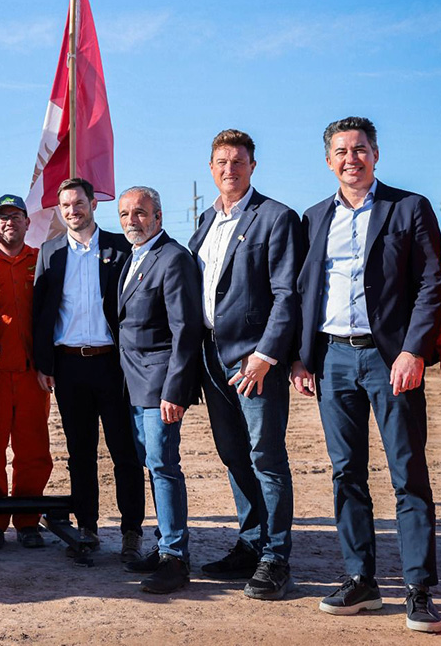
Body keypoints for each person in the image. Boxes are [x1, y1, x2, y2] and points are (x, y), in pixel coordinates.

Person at [292, 116, 441, 633]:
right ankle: (361, 580)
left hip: (390, 359)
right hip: (332, 359)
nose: (350, 159)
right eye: (341, 151)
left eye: (359, 149)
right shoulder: (314, 217)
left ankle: (419, 588)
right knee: (346, 473)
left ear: (376, 155)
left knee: (408, 472)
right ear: (328, 161)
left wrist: (413, 350)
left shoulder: (410, 207)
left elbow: (431, 284)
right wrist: (300, 357)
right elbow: (303, 291)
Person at [189, 130, 301, 600]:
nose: (229, 169)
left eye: (238, 161)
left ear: (253, 166)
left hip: (254, 361)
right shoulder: (205, 221)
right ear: (211, 168)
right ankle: (251, 543)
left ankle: (275, 557)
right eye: (221, 162)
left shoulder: (276, 217)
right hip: (211, 359)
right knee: (234, 455)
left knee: (266, 457)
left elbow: (287, 294)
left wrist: (266, 355)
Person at [32, 179, 144, 561]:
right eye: (65, 205)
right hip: (68, 367)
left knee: (125, 451)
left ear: (93, 204)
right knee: (80, 453)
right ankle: (87, 529)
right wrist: (44, 364)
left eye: (78, 203)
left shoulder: (120, 247)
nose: (72, 211)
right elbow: (41, 313)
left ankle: (132, 532)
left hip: (113, 366)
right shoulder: (49, 252)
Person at [115, 186, 202, 594]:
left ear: (158, 216)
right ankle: (165, 543)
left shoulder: (173, 258)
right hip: (134, 384)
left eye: (140, 213)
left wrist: (176, 390)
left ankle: (175, 559)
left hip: (160, 385)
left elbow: (185, 330)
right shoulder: (134, 257)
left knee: (164, 466)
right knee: (152, 464)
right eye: (125, 214)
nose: (132, 220)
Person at [0, 194, 53, 551]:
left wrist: (48, 364)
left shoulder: (40, 261)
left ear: (27, 222)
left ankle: (27, 520)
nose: (10, 222)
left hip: (31, 373)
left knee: (33, 448)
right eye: (3, 217)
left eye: (16, 216)